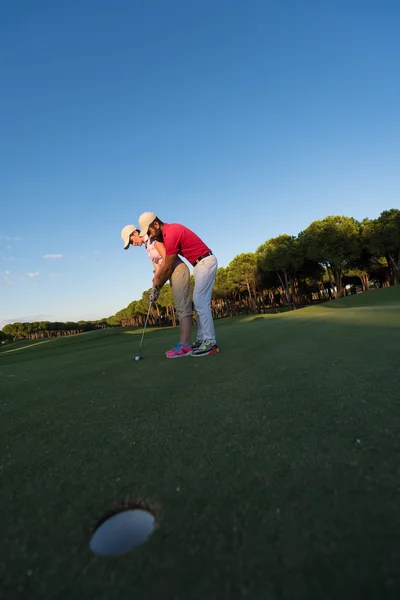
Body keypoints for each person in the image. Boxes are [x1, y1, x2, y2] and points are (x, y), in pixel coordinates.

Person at [138, 212, 219, 356]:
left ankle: (210, 342)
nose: (150, 236)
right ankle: (201, 339)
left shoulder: (171, 233)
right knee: (198, 301)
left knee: (200, 302)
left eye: (149, 232)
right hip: (200, 264)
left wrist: (157, 286)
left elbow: (168, 266)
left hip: (205, 262)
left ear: (156, 224)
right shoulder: (169, 232)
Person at [120, 224, 192, 358]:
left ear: (135, 232)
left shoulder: (153, 239)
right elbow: (158, 269)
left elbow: (167, 259)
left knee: (183, 307)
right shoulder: (147, 247)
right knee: (179, 307)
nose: (132, 244)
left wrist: (158, 283)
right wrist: (155, 286)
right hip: (171, 274)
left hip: (177, 270)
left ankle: (185, 345)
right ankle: (183, 343)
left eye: (131, 241)